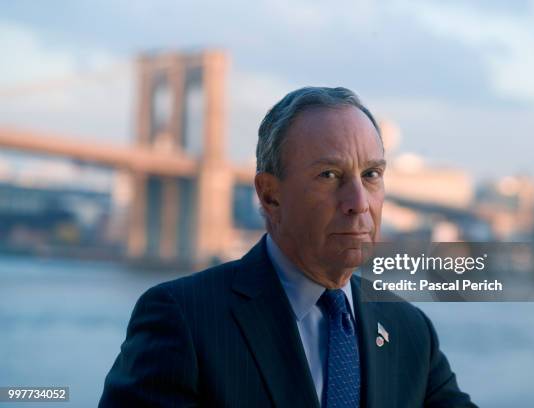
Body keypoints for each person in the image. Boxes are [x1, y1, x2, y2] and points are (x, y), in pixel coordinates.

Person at [99, 87, 477, 407]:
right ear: (270, 195)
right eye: (329, 175)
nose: (359, 202)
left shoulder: (409, 330)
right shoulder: (184, 319)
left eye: (371, 175)